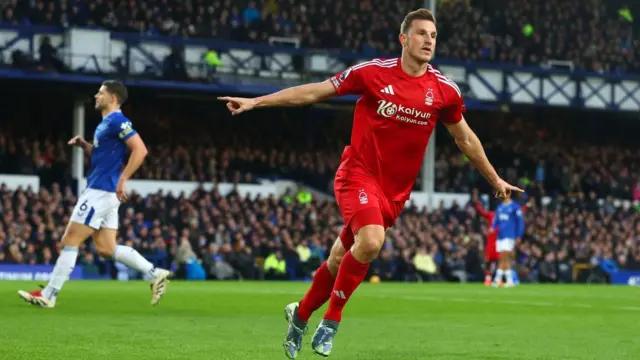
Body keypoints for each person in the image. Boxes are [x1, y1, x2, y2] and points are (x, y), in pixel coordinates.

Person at [218, 9, 522, 358]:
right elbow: (315, 92)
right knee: (372, 240)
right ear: (404, 39)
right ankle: (330, 322)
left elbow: (465, 139)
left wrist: (495, 178)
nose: (428, 41)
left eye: (433, 35)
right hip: (357, 174)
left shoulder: (444, 91)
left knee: (337, 259)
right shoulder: (372, 73)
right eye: (421, 33)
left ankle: (299, 315)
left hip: (394, 193)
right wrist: (257, 101)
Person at [18, 80, 171, 308]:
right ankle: (153, 272)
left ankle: (49, 294)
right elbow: (105, 156)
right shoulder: (105, 124)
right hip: (105, 193)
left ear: (112, 98)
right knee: (106, 249)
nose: (96, 96)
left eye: (100, 93)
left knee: (70, 240)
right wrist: (86, 146)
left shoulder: (118, 120)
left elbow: (140, 149)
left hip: (100, 191)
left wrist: (123, 179)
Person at [491, 192, 525, 287]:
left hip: (509, 235)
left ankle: (498, 279)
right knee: (502, 259)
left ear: (509, 194)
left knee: (504, 257)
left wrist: (519, 235)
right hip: (500, 236)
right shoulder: (500, 207)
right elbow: (496, 220)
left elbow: (520, 222)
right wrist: (492, 228)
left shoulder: (515, 207)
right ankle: (508, 280)